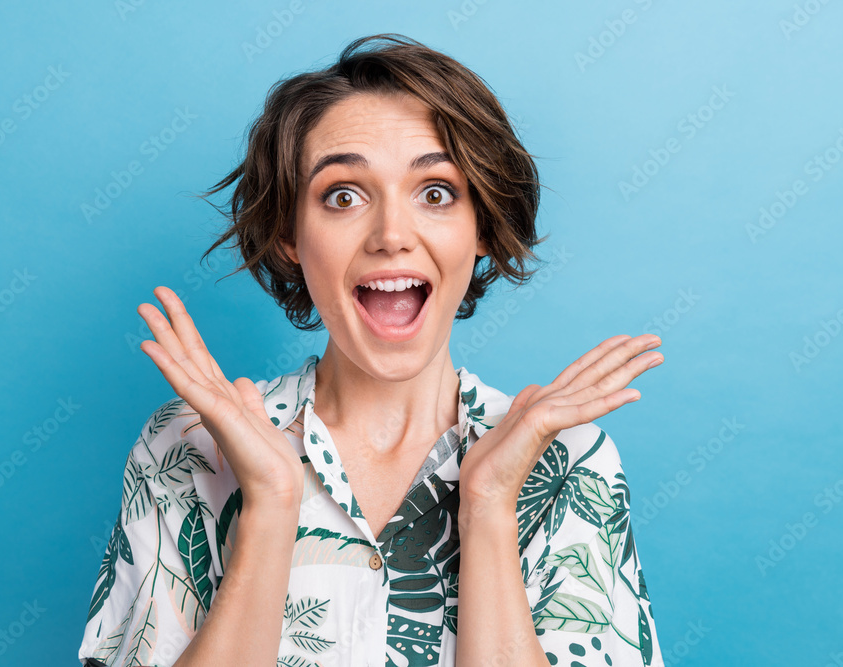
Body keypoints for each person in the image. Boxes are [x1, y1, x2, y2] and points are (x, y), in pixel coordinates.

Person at [78, 33, 665, 667]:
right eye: (343, 195)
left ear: (484, 229)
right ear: (289, 237)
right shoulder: (186, 447)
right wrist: (272, 507)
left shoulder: (569, 462)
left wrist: (491, 504)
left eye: (436, 192)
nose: (391, 236)